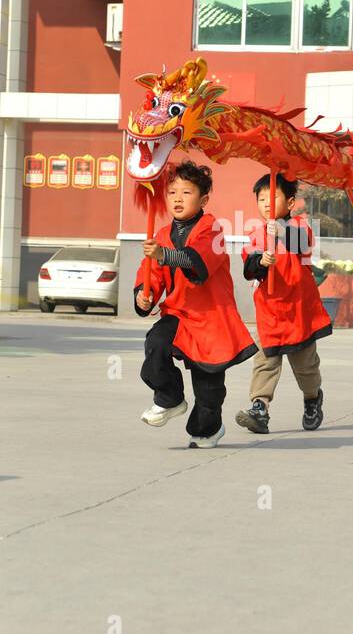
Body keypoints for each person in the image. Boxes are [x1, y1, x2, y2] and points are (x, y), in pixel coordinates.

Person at [135, 161, 257, 448]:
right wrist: (144, 295)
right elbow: (150, 274)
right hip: (179, 313)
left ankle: (208, 430)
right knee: (156, 343)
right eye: (172, 191)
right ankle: (170, 397)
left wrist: (163, 255)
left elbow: (197, 263)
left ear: (203, 199)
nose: (177, 198)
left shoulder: (212, 229)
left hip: (212, 318)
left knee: (209, 388)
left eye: (186, 192)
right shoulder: (162, 235)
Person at [235, 174, 331, 435]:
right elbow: (249, 267)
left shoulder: (301, 226)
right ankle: (260, 407)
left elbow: (301, 245)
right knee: (265, 361)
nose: (266, 203)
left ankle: (312, 399)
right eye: (261, 198)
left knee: (305, 365)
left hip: (298, 310)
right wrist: (259, 263)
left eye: (272, 197)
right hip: (270, 311)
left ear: (290, 202)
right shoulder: (256, 233)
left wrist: (282, 230)